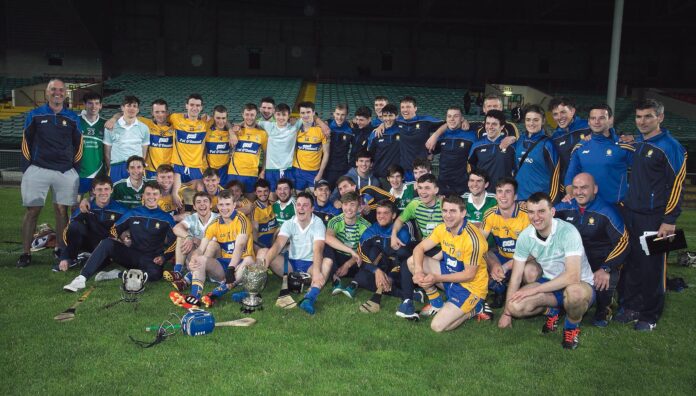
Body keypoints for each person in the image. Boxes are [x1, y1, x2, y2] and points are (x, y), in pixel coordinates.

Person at [615, 99, 687, 331]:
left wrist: (669, 220)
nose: (642, 121)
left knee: (653, 267)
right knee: (633, 263)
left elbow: (677, 185)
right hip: (632, 214)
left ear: (660, 118)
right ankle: (632, 307)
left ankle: (650, 315)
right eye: (638, 117)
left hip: (656, 218)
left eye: (648, 116)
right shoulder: (638, 143)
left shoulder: (671, 146)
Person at [498, 192, 595, 350]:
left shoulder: (568, 232)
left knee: (574, 294)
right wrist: (507, 313)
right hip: (551, 283)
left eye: (541, 211)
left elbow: (572, 276)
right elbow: (516, 276)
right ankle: (553, 310)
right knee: (515, 306)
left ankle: (571, 327)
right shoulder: (525, 236)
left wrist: (535, 289)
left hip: (580, 284)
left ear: (552, 212)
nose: (536, 217)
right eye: (531, 212)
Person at [63, 182, 177, 292]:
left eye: (155, 194)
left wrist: (163, 257)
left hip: (151, 259)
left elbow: (174, 242)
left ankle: (118, 274)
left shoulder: (166, 218)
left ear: (160, 196)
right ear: (143, 195)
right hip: (131, 254)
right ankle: (81, 278)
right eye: (148, 194)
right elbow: (114, 229)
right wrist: (116, 238)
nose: (151, 197)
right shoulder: (133, 213)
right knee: (107, 242)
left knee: (156, 274)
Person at [19, 79, 83, 268]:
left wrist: (74, 170)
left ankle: (61, 250)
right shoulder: (35, 115)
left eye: (61, 90)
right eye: (53, 89)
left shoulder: (72, 117)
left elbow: (79, 145)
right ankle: (25, 252)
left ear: (65, 93)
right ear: (47, 93)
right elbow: (26, 142)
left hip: (64, 171)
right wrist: (28, 168)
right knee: (32, 211)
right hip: (38, 168)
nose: (58, 93)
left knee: (62, 210)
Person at [555, 173, 629, 327]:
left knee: (603, 283)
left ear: (595, 189)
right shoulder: (565, 206)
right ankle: (560, 304)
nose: (579, 192)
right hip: (574, 262)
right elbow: (543, 216)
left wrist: (606, 268)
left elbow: (624, 241)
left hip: (600, 263)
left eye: (584, 188)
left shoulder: (607, 211)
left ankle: (604, 308)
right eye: (575, 188)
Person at [408, 195, 490, 332]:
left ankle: (475, 309)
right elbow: (419, 248)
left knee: (437, 326)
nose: (448, 215)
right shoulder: (442, 229)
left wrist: (436, 278)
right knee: (412, 261)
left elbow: (469, 275)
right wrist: (418, 271)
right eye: (445, 211)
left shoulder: (472, 239)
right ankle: (436, 302)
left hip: (470, 287)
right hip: (450, 275)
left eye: (453, 211)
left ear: (463, 213)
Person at [171, 190, 255, 308]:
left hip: (241, 265)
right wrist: (194, 259)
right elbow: (201, 249)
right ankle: (194, 298)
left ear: (234, 205)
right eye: (221, 205)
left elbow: (240, 246)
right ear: (217, 206)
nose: (224, 208)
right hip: (224, 265)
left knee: (249, 260)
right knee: (200, 259)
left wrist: (231, 268)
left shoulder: (242, 220)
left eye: (227, 204)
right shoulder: (214, 224)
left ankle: (214, 295)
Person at [261, 192, 331, 315]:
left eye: (305, 205)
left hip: (310, 265)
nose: (301, 208)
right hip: (291, 265)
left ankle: (309, 298)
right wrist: (262, 268)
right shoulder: (289, 223)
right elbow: (278, 245)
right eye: (298, 205)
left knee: (327, 262)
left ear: (312, 208)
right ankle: (252, 289)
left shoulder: (318, 223)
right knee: (265, 253)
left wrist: (316, 272)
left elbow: (318, 249)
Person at [353, 200, 415, 316]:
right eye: (378, 213)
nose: (381, 216)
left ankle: (398, 288)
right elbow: (361, 253)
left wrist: (391, 277)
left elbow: (404, 259)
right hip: (381, 268)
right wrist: (376, 271)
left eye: (385, 213)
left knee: (402, 254)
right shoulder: (371, 230)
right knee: (361, 277)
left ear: (393, 215)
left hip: (398, 270)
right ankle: (406, 294)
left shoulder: (402, 232)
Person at [55, 175, 128, 272]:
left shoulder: (120, 210)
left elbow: (128, 230)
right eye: (99, 189)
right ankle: (71, 257)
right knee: (75, 226)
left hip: (105, 245)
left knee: (98, 265)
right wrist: (64, 257)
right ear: (93, 191)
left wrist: (125, 238)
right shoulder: (85, 208)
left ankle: (85, 257)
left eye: (106, 189)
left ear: (111, 190)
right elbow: (67, 232)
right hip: (88, 241)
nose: (103, 193)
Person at [563, 104, 633, 204]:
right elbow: (571, 175)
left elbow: (642, 175)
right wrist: (570, 194)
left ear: (610, 120)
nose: (596, 122)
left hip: (616, 207)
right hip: (587, 208)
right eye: (593, 118)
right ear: (589, 121)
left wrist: (636, 138)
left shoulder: (624, 146)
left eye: (602, 118)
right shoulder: (580, 147)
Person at [481, 177, 530, 308]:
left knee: (530, 271)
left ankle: (521, 290)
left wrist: (506, 266)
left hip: (525, 259)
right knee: (480, 256)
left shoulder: (526, 215)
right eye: (499, 191)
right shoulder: (490, 214)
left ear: (515, 196)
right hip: (502, 256)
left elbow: (532, 252)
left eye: (508, 192)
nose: (503, 195)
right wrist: (494, 264)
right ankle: (499, 289)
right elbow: (479, 243)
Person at [165, 191, 219, 292]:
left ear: (211, 205)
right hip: (195, 254)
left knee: (212, 245)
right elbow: (176, 228)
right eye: (198, 202)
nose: (202, 204)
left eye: (205, 201)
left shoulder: (218, 219)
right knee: (182, 236)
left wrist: (196, 240)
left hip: (213, 257)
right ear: (194, 206)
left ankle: (188, 278)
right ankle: (178, 271)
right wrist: (189, 237)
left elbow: (217, 242)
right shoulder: (192, 218)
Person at [325, 192, 371, 296]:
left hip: (355, 261)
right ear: (342, 206)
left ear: (359, 208)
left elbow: (363, 250)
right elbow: (328, 238)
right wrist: (350, 250)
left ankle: (354, 284)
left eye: (352, 204)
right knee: (325, 246)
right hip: (337, 259)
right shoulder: (335, 221)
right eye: (345, 204)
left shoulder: (366, 226)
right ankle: (335, 280)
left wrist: (347, 264)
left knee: (370, 251)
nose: (348, 208)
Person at [513, 104, 560, 202]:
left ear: (543, 121)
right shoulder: (520, 140)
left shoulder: (548, 144)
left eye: (536, 120)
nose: (531, 123)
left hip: (538, 202)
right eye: (528, 119)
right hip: (518, 199)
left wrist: (549, 201)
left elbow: (556, 176)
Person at [429, 106, 477, 196]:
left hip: (463, 185)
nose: (452, 119)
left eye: (456, 116)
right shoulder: (441, 135)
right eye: (449, 116)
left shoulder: (471, 136)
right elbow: (429, 154)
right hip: (443, 184)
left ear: (462, 118)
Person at [170, 93, 210, 202]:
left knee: (197, 198)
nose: (194, 108)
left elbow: (225, 122)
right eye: (192, 105)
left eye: (197, 105)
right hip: (178, 166)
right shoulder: (175, 118)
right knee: (176, 198)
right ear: (186, 106)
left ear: (201, 108)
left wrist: (231, 131)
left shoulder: (205, 123)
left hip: (196, 168)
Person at [104, 95, 150, 183]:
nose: (131, 108)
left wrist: (139, 166)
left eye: (134, 106)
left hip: (136, 167)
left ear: (138, 110)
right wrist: (110, 167)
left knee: (137, 195)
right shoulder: (111, 126)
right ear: (122, 108)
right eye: (128, 105)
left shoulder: (144, 128)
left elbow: (144, 153)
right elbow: (107, 152)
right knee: (115, 194)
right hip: (116, 166)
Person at [468, 110, 516, 193]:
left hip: (503, 194)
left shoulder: (512, 146)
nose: (490, 127)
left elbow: (516, 169)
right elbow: (472, 170)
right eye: (488, 123)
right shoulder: (476, 146)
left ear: (502, 127)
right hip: (483, 194)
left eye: (494, 124)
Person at [226, 103, 268, 196]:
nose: (249, 117)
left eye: (252, 115)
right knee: (231, 201)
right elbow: (225, 121)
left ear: (256, 115)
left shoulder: (262, 133)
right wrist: (231, 132)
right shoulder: (235, 130)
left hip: (251, 174)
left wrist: (263, 171)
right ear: (242, 114)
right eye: (247, 114)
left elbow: (266, 154)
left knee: (250, 202)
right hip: (234, 172)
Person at [549, 97, 589, 194]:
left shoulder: (588, 126)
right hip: (569, 187)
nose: (559, 117)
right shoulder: (555, 137)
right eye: (555, 114)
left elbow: (607, 133)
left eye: (563, 112)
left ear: (572, 111)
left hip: (590, 184)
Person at [391, 174, 443, 248]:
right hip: (425, 246)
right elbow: (400, 219)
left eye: (427, 188)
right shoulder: (415, 203)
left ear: (436, 190)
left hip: (444, 248)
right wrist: (393, 235)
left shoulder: (444, 205)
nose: (423, 192)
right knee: (402, 252)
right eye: (420, 188)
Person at [291, 101, 330, 191]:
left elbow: (326, 153)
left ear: (313, 112)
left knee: (317, 199)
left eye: (308, 112)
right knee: (300, 199)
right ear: (299, 114)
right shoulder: (295, 129)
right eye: (302, 113)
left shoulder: (322, 130)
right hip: (298, 170)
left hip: (314, 172)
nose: (305, 115)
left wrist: (320, 173)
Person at [76, 91, 107, 196]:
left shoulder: (106, 124)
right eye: (90, 103)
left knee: (94, 205)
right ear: (84, 105)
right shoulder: (76, 121)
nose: (94, 106)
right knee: (75, 206)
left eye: (97, 103)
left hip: (98, 172)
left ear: (101, 105)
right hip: (78, 172)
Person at [140, 99, 175, 179]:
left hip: (168, 171)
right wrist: (114, 119)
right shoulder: (146, 124)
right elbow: (124, 115)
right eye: (157, 112)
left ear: (167, 113)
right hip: (150, 170)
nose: (160, 115)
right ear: (152, 113)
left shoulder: (174, 127)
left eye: (163, 112)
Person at [368, 103, 401, 179]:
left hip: (396, 176)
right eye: (385, 116)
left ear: (396, 116)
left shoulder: (402, 130)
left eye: (390, 116)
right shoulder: (375, 133)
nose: (388, 119)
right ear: (382, 117)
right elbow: (370, 154)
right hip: (379, 175)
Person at [324, 104, 353, 188]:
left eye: (342, 114)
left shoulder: (350, 128)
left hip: (342, 168)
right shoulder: (326, 125)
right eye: (337, 114)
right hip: (327, 167)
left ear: (346, 115)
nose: (339, 117)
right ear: (333, 114)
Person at [251, 179, 278, 254]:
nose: (263, 194)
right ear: (255, 193)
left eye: (265, 191)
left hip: (277, 239)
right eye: (259, 191)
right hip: (263, 240)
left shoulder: (275, 205)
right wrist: (256, 246)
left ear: (269, 191)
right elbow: (255, 228)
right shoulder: (254, 208)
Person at [204, 105, 232, 174]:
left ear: (226, 118)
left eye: (223, 118)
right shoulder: (206, 131)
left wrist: (232, 132)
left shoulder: (232, 133)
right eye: (218, 118)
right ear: (213, 117)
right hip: (209, 170)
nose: (221, 121)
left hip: (225, 171)